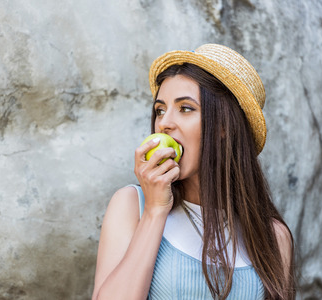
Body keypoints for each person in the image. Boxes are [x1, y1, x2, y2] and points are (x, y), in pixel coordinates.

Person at [92, 44, 295, 299]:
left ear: (224, 126)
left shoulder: (273, 237)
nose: (164, 123)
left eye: (185, 108)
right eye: (160, 110)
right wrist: (155, 210)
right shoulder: (133, 205)